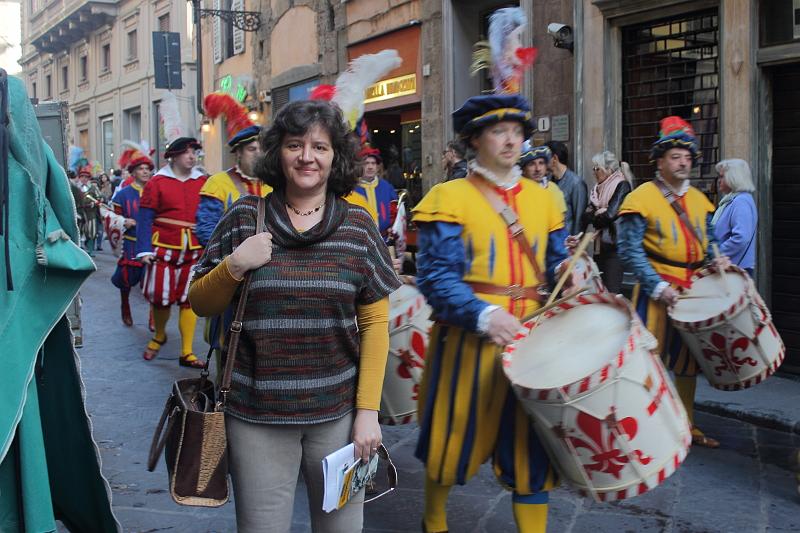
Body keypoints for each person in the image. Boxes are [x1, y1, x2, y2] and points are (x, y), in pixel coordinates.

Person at [188, 99, 400, 533]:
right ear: (276, 153)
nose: (307, 157)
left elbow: (376, 325)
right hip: (256, 418)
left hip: (339, 420)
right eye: (295, 145)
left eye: (320, 147)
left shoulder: (359, 225)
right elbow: (199, 302)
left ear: (335, 157)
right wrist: (235, 265)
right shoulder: (245, 217)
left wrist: (367, 412)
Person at [414, 8, 573, 533]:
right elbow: (436, 280)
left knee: (532, 453)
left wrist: (574, 275)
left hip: (532, 338)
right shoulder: (447, 197)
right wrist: (483, 316)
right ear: (474, 141)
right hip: (469, 339)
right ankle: (433, 521)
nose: (510, 140)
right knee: (450, 441)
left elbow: (553, 265)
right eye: (497, 131)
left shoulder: (547, 199)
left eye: (516, 130)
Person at [617, 115, 729, 449]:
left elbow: (708, 240)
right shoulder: (640, 198)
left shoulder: (699, 199)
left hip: (692, 290)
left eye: (687, 157)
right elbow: (630, 251)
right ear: (660, 161)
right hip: (655, 290)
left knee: (687, 362)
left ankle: (686, 425)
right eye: (675, 157)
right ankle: (640, 426)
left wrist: (717, 258)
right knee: (646, 358)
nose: (683, 162)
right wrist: (657, 287)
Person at [135, 131, 206, 368]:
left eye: (194, 152)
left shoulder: (202, 181)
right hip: (163, 248)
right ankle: (159, 335)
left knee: (189, 299)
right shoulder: (157, 182)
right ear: (173, 157)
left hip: (194, 248)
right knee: (161, 297)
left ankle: (187, 352)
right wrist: (143, 249)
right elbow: (145, 218)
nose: (192, 157)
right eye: (186, 152)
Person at [196, 93, 271, 246]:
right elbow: (206, 230)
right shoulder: (217, 184)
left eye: (262, 149)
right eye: (252, 149)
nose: (258, 154)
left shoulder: (277, 183)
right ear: (238, 153)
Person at [111, 144, 154, 326]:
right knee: (127, 281)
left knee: (153, 282)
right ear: (133, 172)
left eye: (147, 169)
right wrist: (123, 222)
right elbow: (111, 217)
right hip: (131, 243)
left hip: (152, 244)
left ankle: (154, 317)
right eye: (140, 169)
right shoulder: (123, 195)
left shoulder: (156, 191)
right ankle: (125, 305)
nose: (145, 172)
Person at [583, 151, 634, 293]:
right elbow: (586, 216)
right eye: (593, 168)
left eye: (597, 168)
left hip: (615, 249)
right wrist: (599, 214)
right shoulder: (596, 190)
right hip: (600, 247)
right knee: (599, 290)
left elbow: (610, 215)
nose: (594, 172)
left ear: (609, 170)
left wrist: (598, 215)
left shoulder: (622, 185)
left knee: (611, 291)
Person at [713, 158, 757, 277]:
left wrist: (716, 253)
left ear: (734, 177)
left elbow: (741, 238)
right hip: (730, 267)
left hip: (735, 269)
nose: (719, 180)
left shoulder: (740, 201)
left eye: (722, 176)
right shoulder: (732, 200)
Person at [353, 146, 398, 239]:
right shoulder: (352, 188)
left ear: (377, 167)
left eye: (373, 163)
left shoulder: (387, 187)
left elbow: (394, 211)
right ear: (361, 166)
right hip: (360, 240)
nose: (370, 167)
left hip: (384, 239)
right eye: (366, 163)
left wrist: (392, 227)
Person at [546, 140, 587, 236]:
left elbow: (579, 218)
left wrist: (575, 243)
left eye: (545, 157)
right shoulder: (547, 181)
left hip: (567, 241)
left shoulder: (576, 183)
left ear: (554, 158)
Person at [519, 142, 567, 219]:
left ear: (546, 167)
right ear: (523, 169)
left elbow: (560, 220)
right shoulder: (517, 190)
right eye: (532, 164)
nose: (537, 169)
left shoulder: (553, 189)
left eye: (541, 163)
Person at [76, 166, 102, 256]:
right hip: (79, 213)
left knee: (92, 231)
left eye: (86, 177)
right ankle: (78, 249)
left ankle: (90, 250)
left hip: (91, 213)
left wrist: (94, 203)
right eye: (82, 176)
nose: (84, 178)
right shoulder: (76, 188)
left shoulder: (93, 188)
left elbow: (100, 198)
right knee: (79, 230)